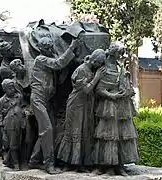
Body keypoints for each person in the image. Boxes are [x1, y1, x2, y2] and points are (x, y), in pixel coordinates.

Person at [29, 36, 80, 174]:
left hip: (46, 100)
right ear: (43, 49)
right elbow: (58, 63)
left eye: (52, 46)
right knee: (47, 130)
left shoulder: (46, 59)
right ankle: (49, 165)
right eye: (49, 48)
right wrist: (71, 47)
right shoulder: (41, 59)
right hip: (38, 100)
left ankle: (34, 161)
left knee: (48, 131)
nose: (51, 49)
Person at [92, 42, 139, 176]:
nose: (121, 55)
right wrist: (111, 95)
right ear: (113, 52)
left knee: (121, 135)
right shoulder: (103, 67)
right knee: (108, 136)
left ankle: (119, 165)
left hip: (122, 105)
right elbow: (99, 89)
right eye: (119, 53)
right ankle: (107, 166)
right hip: (109, 106)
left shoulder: (120, 67)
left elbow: (125, 82)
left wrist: (127, 89)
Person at [57, 49, 106, 171]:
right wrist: (97, 77)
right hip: (76, 105)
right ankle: (69, 162)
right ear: (95, 61)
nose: (100, 66)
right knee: (74, 132)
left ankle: (81, 163)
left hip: (86, 105)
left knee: (85, 132)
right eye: (99, 63)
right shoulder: (81, 70)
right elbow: (86, 89)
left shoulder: (90, 69)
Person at [0, 79, 24, 171]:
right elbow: (0, 116)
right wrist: (3, 132)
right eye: (9, 88)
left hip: (20, 123)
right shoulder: (1, 101)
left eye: (13, 87)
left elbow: (23, 107)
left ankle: (8, 160)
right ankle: (16, 163)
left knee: (20, 143)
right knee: (13, 145)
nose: (12, 90)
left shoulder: (19, 97)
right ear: (5, 89)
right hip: (9, 125)